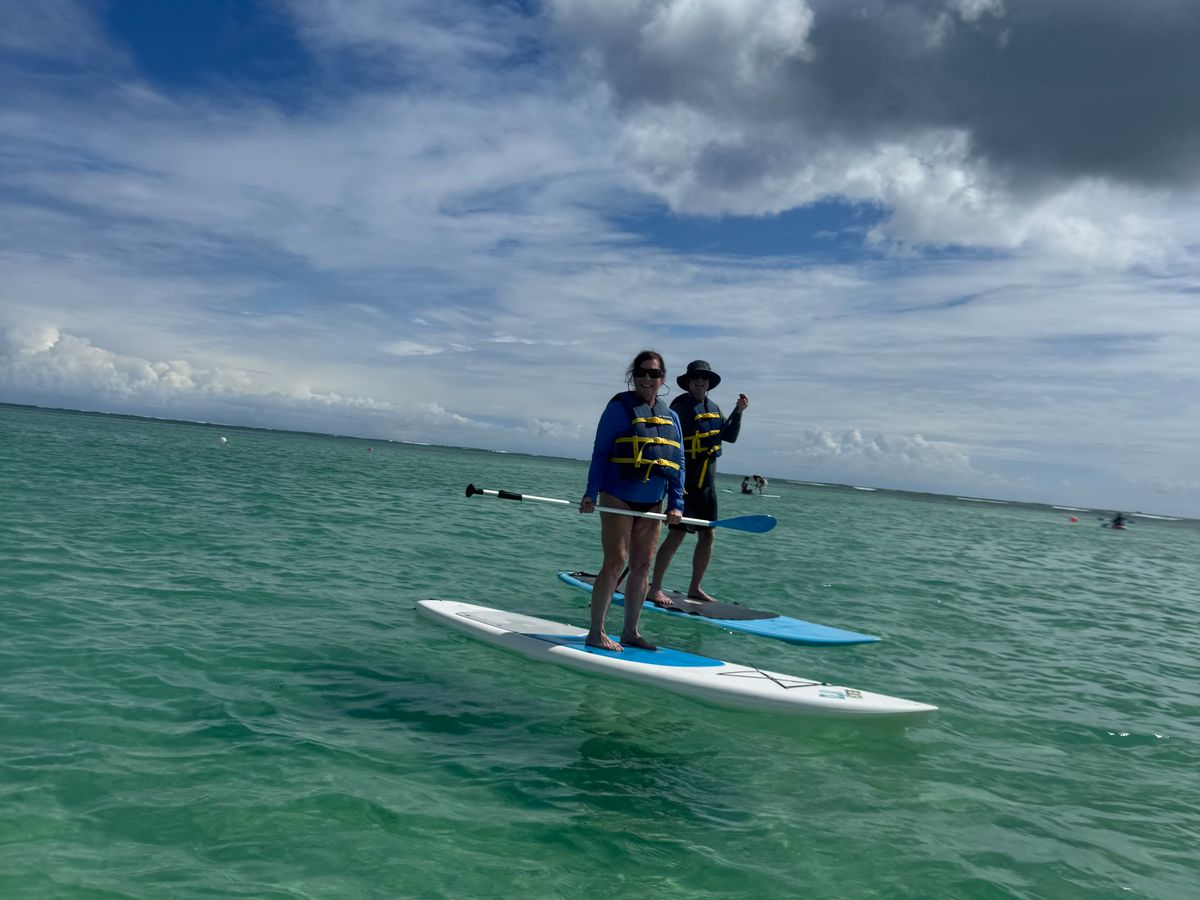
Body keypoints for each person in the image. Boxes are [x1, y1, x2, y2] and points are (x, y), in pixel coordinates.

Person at [579, 350, 685, 651]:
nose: (647, 378)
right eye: (642, 372)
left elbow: (679, 462)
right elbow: (600, 452)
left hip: (654, 501)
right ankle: (596, 632)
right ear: (633, 376)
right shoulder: (618, 409)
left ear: (662, 378)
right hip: (618, 496)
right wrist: (590, 493)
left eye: (654, 373)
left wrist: (677, 503)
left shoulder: (672, 417)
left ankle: (630, 632)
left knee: (643, 564)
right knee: (616, 561)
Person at [648, 360, 748, 605]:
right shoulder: (680, 407)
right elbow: (669, 442)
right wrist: (673, 482)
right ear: (689, 382)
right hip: (686, 483)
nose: (700, 381)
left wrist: (738, 412)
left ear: (709, 383)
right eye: (696, 378)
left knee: (708, 535)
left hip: (707, 486)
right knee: (676, 535)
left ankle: (695, 587)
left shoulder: (713, 407)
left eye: (704, 378)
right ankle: (655, 587)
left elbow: (730, 437)